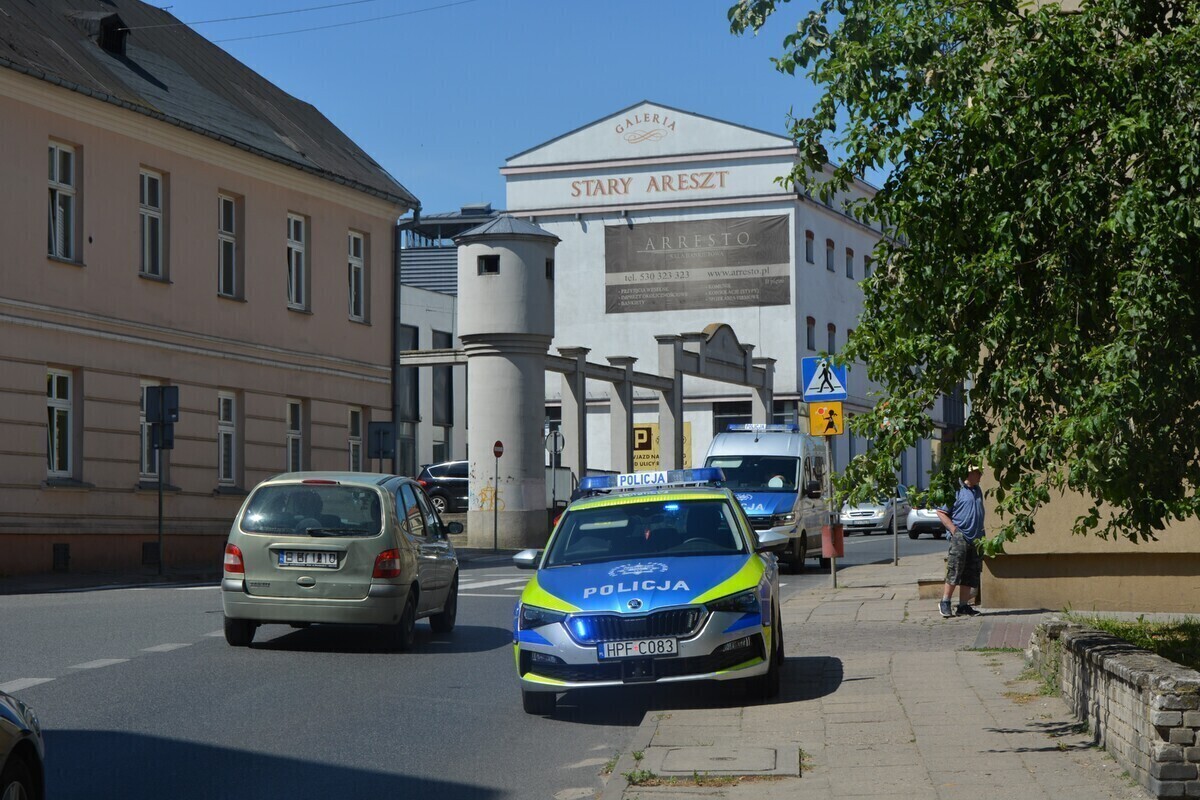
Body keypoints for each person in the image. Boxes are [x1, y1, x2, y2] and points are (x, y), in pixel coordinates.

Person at [935, 465, 985, 618]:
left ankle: (963, 606)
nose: (980, 475)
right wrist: (954, 530)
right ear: (969, 474)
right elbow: (941, 512)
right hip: (960, 537)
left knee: (970, 573)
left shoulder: (977, 490)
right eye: (978, 472)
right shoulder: (956, 490)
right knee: (955, 569)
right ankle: (945, 602)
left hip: (976, 537)